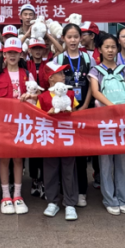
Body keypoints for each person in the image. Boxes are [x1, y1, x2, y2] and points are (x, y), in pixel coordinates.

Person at [89, 32, 125, 215]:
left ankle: (124, 198)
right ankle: (109, 198)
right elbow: (95, 92)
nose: (110, 50)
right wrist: (113, 108)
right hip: (106, 121)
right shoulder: (95, 71)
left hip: (124, 119)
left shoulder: (124, 69)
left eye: (113, 47)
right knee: (106, 161)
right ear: (100, 49)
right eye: (106, 47)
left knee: (124, 160)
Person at [53, 23, 92, 207]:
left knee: (82, 153)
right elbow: (53, 85)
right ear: (64, 39)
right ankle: (65, 190)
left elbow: (92, 84)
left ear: (81, 38)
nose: (73, 40)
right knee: (66, 152)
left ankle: (82, 191)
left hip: (83, 110)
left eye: (76, 36)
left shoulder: (87, 57)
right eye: (69, 37)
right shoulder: (59, 59)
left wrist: (84, 105)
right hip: (65, 113)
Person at [0, 37, 33, 214]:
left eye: (15, 53)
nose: (12, 55)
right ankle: (5, 196)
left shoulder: (27, 74)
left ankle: (17, 195)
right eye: (9, 52)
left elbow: (36, 97)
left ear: (21, 54)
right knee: (4, 159)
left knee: (18, 159)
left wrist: (30, 97)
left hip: (22, 122)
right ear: (4, 54)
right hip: (3, 123)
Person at [39, 62, 79, 221]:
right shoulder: (42, 97)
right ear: (51, 78)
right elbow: (38, 116)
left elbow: (75, 113)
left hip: (67, 137)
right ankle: (52, 201)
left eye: (63, 73)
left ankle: (70, 203)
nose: (64, 76)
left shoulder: (69, 94)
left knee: (69, 170)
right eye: (60, 74)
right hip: (49, 138)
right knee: (50, 170)